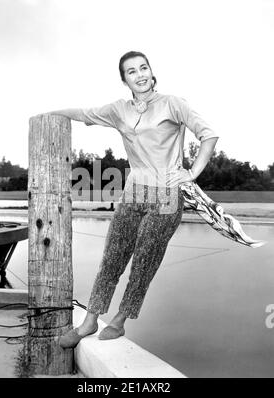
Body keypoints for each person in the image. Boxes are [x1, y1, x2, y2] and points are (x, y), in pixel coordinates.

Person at [48, 51, 219, 348]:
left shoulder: (173, 103)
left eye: (143, 68)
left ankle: (120, 320)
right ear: (124, 79)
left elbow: (209, 135)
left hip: (167, 196)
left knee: (143, 261)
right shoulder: (119, 110)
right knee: (112, 258)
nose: (140, 74)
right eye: (131, 71)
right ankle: (89, 321)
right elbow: (85, 113)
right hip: (133, 194)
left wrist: (192, 172)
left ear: (152, 72)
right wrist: (50, 113)